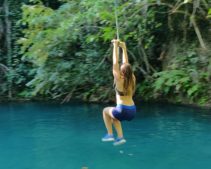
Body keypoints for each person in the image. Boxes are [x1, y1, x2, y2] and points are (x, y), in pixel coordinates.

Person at [102, 39, 136, 146]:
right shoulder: (132, 78)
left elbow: (115, 63)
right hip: (132, 111)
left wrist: (115, 46)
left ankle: (110, 134)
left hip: (122, 110)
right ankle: (120, 137)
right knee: (114, 117)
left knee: (105, 111)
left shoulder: (118, 79)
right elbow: (126, 64)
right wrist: (123, 48)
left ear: (122, 72)